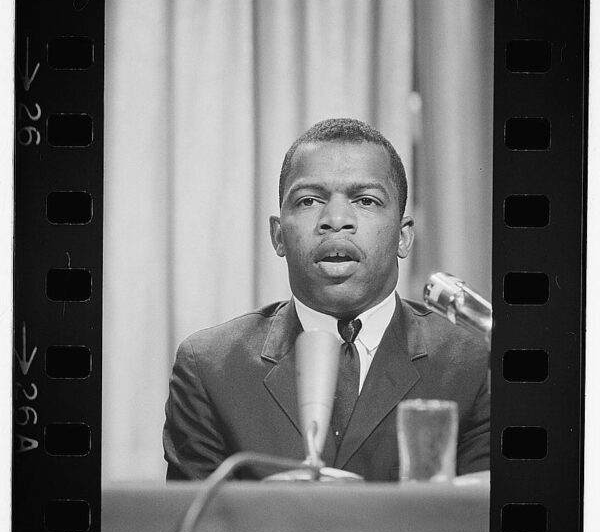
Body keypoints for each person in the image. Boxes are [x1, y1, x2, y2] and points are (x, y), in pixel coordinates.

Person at [163, 118, 490, 481]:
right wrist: (264, 509)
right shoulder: (210, 367)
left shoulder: (473, 361)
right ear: (278, 236)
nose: (336, 220)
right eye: (309, 201)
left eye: (365, 200)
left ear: (403, 237)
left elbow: (480, 526)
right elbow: (191, 529)